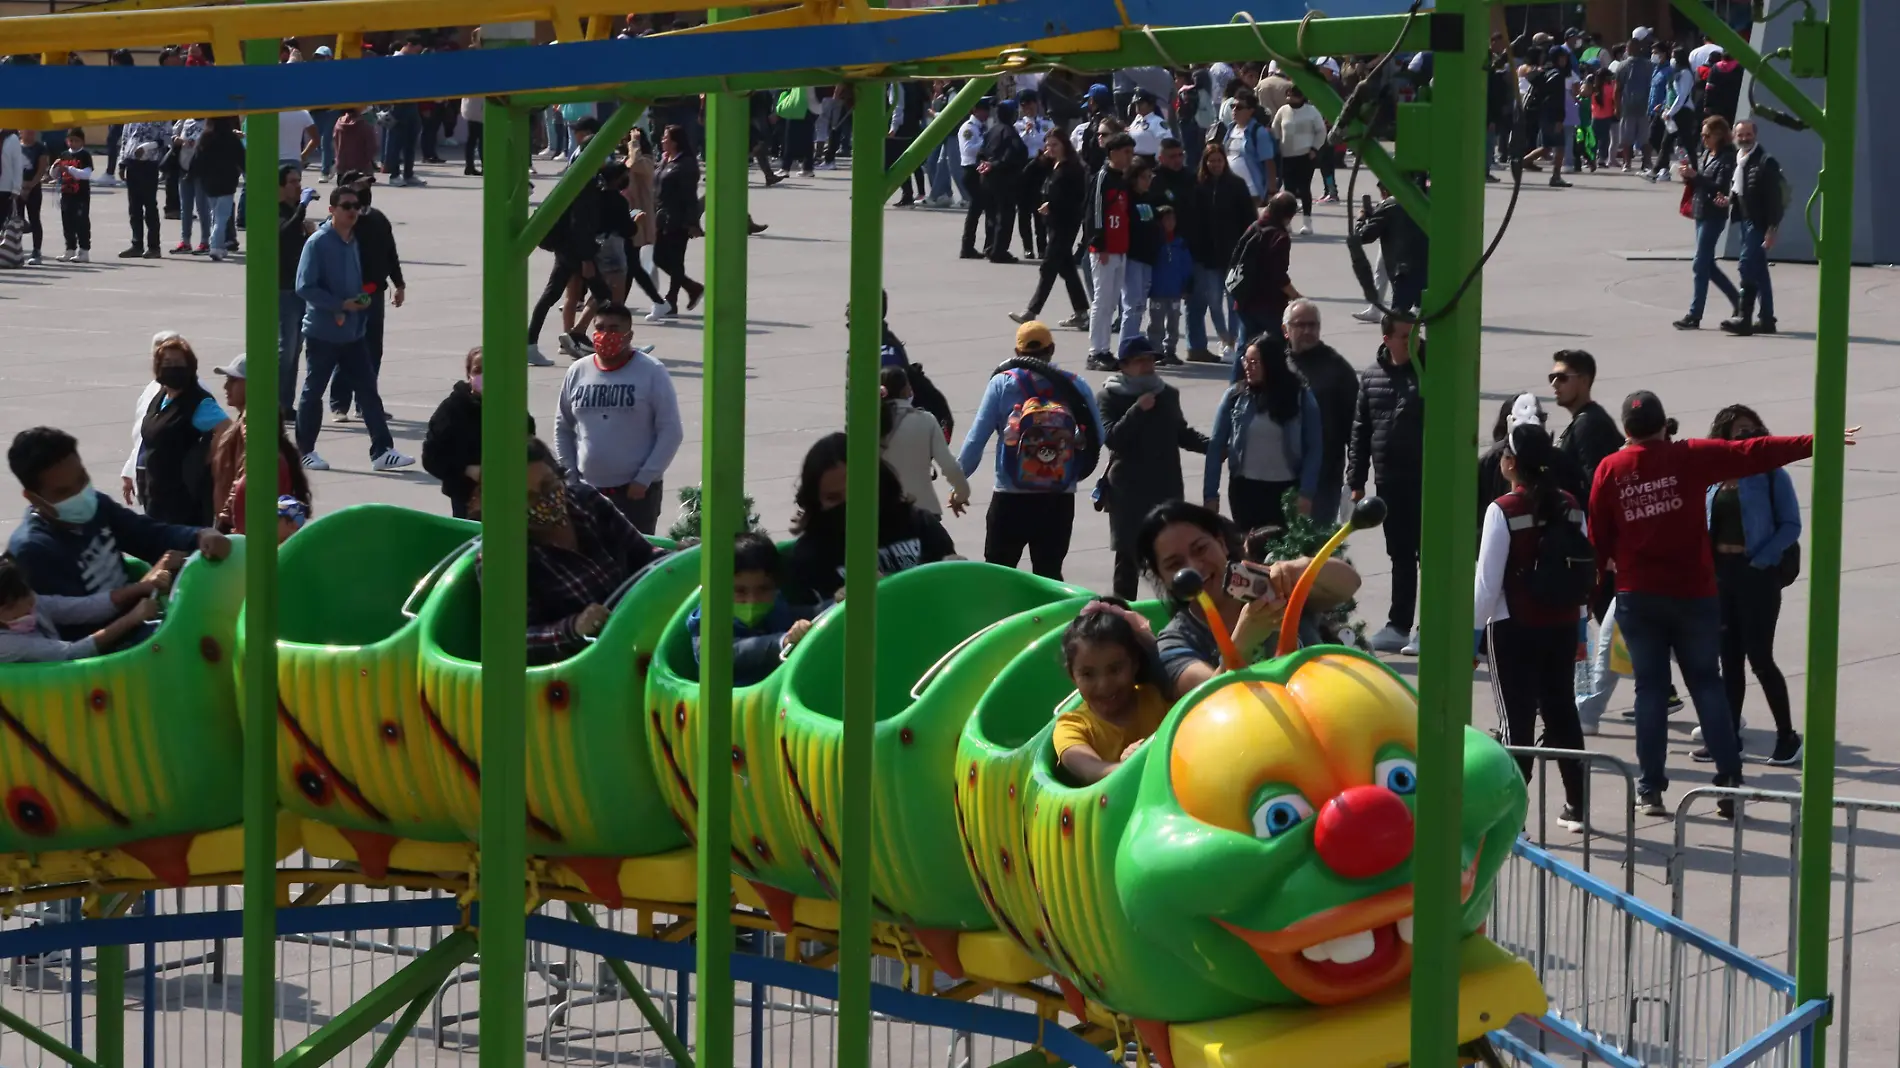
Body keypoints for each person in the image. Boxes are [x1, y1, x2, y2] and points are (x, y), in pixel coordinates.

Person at [1588, 390, 1839, 818]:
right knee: (1707, 684)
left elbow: (1598, 535)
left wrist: (1602, 575)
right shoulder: (1688, 456)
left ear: (1627, 431)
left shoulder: (1611, 468)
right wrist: (1819, 441)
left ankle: (1650, 789)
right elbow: (1753, 451)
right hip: (1694, 595)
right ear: (1664, 426)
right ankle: (1729, 782)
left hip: (1639, 596)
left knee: (1649, 690)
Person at [1474, 422, 1590, 832]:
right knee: (1562, 715)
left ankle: (1511, 816)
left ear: (1510, 463)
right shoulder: (1573, 505)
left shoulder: (1502, 510)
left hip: (1513, 627)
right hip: (1560, 625)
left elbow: (1487, 585)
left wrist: (1472, 637)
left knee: (1516, 723)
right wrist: (1579, 632)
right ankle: (1577, 805)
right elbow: (1581, 572)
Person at [1137, 501, 1359, 697]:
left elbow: (1350, 583)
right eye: (1174, 564)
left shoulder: (1274, 586)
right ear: (1161, 577)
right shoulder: (1175, 642)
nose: (1193, 567)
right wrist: (1242, 642)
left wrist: (1295, 569)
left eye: (1200, 549)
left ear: (1221, 543)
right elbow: (1206, 701)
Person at [7, 427, 230, 611]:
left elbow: (148, 535)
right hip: (106, 649)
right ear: (33, 498)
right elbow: (77, 623)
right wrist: (143, 587)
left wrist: (200, 535)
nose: (80, 494)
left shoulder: (97, 505)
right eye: (64, 492)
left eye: (82, 479)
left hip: (138, 615)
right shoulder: (32, 551)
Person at [482, 437, 662, 663]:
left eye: (549, 485)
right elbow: (513, 639)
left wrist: (681, 559)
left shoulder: (587, 502)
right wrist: (574, 627)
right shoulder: (503, 555)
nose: (546, 500)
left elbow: (645, 555)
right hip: (582, 667)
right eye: (529, 498)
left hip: (641, 632)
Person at [956, 322, 1104, 581]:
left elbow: (976, 438)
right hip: (1058, 497)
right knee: (1048, 575)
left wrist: (959, 483)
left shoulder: (1002, 384)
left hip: (1011, 495)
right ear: (1052, 349)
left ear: (1016, 351)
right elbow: (1098, 436)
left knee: (998, 574)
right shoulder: (1075, 385)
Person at [1704, 404, 1803, 767]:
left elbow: (1790, 525)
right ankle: (1728, 736)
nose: (1745, 435)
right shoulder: (1713, 475)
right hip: (1721, 574)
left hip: (1757, 573)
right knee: (1728, 659)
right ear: (1723, 436)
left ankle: (1787, 737)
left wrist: (1761, 560)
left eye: (1751, 428)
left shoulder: (1771, 473)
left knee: (1759, 657)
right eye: (1737, 430)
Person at [293, 187, 415, 473]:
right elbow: (304, 286)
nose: (352, 211)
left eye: (356, 206)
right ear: (331, 210)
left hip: (352, 332)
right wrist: (340, 304)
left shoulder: (354, 242)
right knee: (314, 391)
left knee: (368, 390)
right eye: (346, 206)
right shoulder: (318, 242)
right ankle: (305, 451)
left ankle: (382, 450)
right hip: (323, 332)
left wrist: (361, 298)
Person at [783, 433, 956, 606]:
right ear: (815, 500)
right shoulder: (808, 558)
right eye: (833, 498)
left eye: (858, 491)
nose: (850, 505)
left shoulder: (920, 525)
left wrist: (956, 573)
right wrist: (834, 608)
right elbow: (803, 623)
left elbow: (954, 593)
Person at [552, 304, 681, 535]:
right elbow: (563, 427)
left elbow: (671, 431)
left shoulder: (651, 372)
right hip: (587, 492)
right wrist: (571, 479)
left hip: (635, 495)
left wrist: (644, 478)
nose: (605, 335)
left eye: (614, 329)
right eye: (600, 328)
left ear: (628, 335)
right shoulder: (578, 371)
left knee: (634, 563)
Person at [1098, 338, 1208, 598]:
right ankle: (1122, 618)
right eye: (1140, 361)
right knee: (1128, 560)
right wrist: (1137, 410)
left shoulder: (1167, 394)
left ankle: (1177, 616)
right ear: (1123, 365)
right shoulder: (1109, 396)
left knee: (1170, 555)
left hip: (1165, 487)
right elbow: (1112, 438)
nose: (1148, 366)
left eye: (1150, 360)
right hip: (1128, 493)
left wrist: (1215, 447)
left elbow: (1182, 433)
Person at [1350, 314, 1425, 656]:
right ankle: (1399, 624)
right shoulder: (1372, 377)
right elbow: (1360, 431)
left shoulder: (1429, 372)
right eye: (1405, 336)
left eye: (1415, 335)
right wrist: (1356, 480)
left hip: (1426, 480)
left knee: (1429, 555)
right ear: (1386, 338)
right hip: (1389, 481)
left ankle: (1429, 626)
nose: (1413, 342)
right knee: (1400, 554)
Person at [1205, 333, 1321, 531]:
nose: (1248, 368)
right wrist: (1210, 495)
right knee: (1250, 553)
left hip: (1286, 491)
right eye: (1246, 361)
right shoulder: (1235, 396)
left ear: (1272, 364)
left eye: (1255, 362)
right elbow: (1216, 446)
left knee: (1283, 557)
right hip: (1245, 490)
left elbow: (1314, 448)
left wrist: (1306, 493)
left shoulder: (1300, 397)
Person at [1054, 598, 1169, 784]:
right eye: (1088, 674)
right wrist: (1131, 765)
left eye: (1115, 669)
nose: (1104, 685)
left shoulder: (1158, 699)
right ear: (1072, 676)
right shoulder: (1072, 727)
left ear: (1135, 664)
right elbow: (1090, 769)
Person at [688, 532, 819, 687]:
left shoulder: (774, 604)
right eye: (739, 591)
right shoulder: (707, 620)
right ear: (718, 588)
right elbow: (729, 652)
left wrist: (838, 602)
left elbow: (808, 613)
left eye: (764, 589)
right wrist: (783, 641)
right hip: (734, 703)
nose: (752, 599)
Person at [422, 347, 536, 520]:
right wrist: (466, 470)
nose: (484, 376)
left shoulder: (512, 407)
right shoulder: (452, 409)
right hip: (466, 499)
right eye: (478, 371)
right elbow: (432, 456)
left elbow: (529, 448)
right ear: (469, 375)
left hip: (507, 498)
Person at [134, 335, 230, 526]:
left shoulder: (198, 402)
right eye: (167, 362)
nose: (172, 367)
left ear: (190, 367)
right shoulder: (160, 397)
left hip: (182, 502)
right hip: (155, 496)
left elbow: (226, 428)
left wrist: (207, 457)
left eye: (178, 362)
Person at [330, 172, 404, 417]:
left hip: (374, 294)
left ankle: (366, 404)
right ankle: (340, 404)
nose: (364, 190)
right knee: (346, 347)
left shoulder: (378, 219)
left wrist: (399, 283)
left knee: (373, 349)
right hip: (349, 295)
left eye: (367, 185)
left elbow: (390, 252)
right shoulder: (340, 226)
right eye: (359, 185)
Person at [0, 554, 164, 663]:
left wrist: (141, 587)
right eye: (13, 605)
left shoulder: (32, 602)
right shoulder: (6, 645)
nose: (29, 603)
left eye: (27, 593)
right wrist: (132, 619)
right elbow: (72, 653)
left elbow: (84, 607)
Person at [527, 167, 613, 364]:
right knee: (603, 295)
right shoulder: (587, 184)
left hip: (565, 248)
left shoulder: (576, 178)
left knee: (551, 295)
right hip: (575, 251)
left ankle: (531, 343)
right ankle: (606, 342)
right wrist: (586, 259)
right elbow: (581, 225)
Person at [1283, 299, 1355, 524]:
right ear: (1286, 330)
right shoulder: (1274, 364)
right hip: (1277, 476)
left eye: (1312, 325)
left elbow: (1356, 427)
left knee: (1314, 547)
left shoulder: (1337, 369)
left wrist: (1354, 477)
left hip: (1322, 478)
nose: (1307, 330)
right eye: (1300, 324)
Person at [1010, 131, 1090, 329]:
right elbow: (1026, 175)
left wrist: (1052, 206)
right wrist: (1040, 159)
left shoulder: (1072, 169)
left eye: (1055, 145)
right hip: (1053, 223)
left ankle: (1031, 311)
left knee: (1048, 267)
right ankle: (1081, 312)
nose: (1050, 148)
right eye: (1048, 145)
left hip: (1065, 224)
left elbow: (1075, 199)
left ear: (1064, 145)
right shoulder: (1051, 164)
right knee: (1067, 268)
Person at [1184, 142, 1255, 364]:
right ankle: (1223, 337)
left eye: (1219, 160)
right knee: (1213, 301)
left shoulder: (1237, 185)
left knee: (1234, 301)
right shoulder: (1197, 187)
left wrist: (1248, 248)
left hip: (1233, 255)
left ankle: (1233, 342)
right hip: (1208, 257)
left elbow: (1249, 220)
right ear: (1205, 163)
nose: (1215, 164)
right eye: (1211, 161)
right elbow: (1192, 222)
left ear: (1225, 161)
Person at [1674, 115, 1741, 331]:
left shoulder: (1728, 158)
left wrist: (1696, 176)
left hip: (1714, 215)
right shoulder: (1708, 154)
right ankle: (1738, 301)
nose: (1703, 139)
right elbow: (1703, 182)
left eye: (1707, 135)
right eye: (1702, 135)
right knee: (1707, 265)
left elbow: (1720, 186)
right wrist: (1690, 176)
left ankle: (1695, 314)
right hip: (1701, 211)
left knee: (1700, 264)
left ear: (1719, 135)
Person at [879, 365, 969, 518]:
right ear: (906, 390)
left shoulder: (870, 425)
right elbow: (949, 466)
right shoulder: (925, 420)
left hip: (884, 515)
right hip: (923, 512)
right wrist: (961, 494)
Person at [1722, 119, 1783, 337]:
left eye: (1748, 134)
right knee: (1759, 271)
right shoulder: (1740, 159)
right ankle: (1767, 320)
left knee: (1745, 265)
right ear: (1734, 136)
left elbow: (1775, 199)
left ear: (1755, 135)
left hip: (1759, 223)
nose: (1744, 138)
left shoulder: (1766, 162)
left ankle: (1743, 317)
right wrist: (1728, 201)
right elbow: (1739, 189)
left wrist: (1772, 228)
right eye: (1741, 135)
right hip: (1745, 221)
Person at [1084, 132, 1137, 371]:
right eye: (1126, 152)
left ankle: (1105, 348)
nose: (1130, 157)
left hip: (1120, 248)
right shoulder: (1103, 178)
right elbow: (1095, 212)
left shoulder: (1122, 179)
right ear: (1113, 152)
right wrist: (1099, 243)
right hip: (1104, 249)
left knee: (1112, 301)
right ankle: (1096, 351)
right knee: (1102, 301)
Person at [1227, 192, 1300, 362]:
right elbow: (1278, 275)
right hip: (1268, 304)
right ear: (1288, 216)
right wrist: (1295, 296)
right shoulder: (1279, 237)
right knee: (1281, 345)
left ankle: (1236, 385)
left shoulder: (1254, 227)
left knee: (1245, 348)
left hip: (1244, 298)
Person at [651, 125, 706, 322]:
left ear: (675, 141)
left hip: (678, 218)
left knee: (675, 260)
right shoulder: (666, 159)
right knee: (659, 258)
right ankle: (692, 287)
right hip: (661, 217)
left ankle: (672, 300)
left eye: (665, 137)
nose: (662, 140)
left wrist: (691, 222)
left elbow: (690, 197)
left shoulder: (686, 164)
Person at [1548, 349, 1624, 490]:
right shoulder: (1589, 418)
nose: (1554, 384)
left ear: (1584, 380)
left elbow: (1597, 485)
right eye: (1552, 377)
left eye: (1562, 377)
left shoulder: (1589, 425)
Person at [278, 165, 318, 416]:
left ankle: (285, 403)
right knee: (287, 347)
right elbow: (283, 234)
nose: (298, 185)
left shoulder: (294, 212)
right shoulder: (276, 210)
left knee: (295, 348)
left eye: (299, 181)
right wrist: (302, 208)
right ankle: (276, 402)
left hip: (299, 289)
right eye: (293, 181)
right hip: (281, 288)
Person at [1354, 181, 1429, 314]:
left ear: (1385, 192)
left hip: (1403, 270)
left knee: (1399, 318)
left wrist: (1361, 219)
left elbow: (1364, 236)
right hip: (1427, 267)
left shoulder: (1389, 205)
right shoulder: (1424, 199)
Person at [1116, 160, 1161, 356]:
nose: (1147, 181)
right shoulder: (1128, 198)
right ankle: (1125, 351)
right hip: (1133, 256)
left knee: (1140, 305)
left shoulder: (1149, 198)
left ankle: (1133, 346)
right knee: (1131, 305)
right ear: (1134, 178)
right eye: (1144, 177)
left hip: (1148, 257)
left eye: (1150, 177)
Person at [1270, 86, 1327, 233]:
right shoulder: (1282, 111)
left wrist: (1315, 148)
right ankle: (1287, 221)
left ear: (1302, 96)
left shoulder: (1311, 111)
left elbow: (1321, 131)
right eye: (1288, 94)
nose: (1290, 97)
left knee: (1304, 188)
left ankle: (1307, 222)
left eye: (1293, 95)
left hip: (1306, 156)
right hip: (1287, 155)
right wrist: (1276, 146)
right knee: (1288, 191)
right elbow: (1275, 129)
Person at [978, 99, 1028, 264]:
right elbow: (1015, 155)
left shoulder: (992, 131)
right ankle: (999, 250)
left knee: (991, 215)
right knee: (1005, 215)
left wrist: (985, 164)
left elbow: (980, 153)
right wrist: (994, 165)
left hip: (987, 179)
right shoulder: (1009, 132)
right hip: (1003, 179)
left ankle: (990, 245)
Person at [116, 119, 169, 258]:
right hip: (132, 163)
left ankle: (154, 247)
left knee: (150, 206)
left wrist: (147, 147)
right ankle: (136, 244)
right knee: (134, 207)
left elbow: (166, 139)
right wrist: (122, 163)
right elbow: (125, 139)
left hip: (149, 164)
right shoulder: (133, 114)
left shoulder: (161, 115)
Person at [1013, 90, 1055, 260]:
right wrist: (1026, 133)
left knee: (1041, 207)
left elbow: (1049, 142)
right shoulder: (1017, 126)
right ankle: (1028, 247)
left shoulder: (1047, 123)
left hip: (1042, 166)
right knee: (1024, 210)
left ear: (1036, 103)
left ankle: (1042, 246)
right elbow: (1016, 146)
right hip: (1024, 167)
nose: (1027, 108)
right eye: (1023, 105)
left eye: (1030, 103)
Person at [1221, 91, 1276, 205]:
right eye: (1233, 106)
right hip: (1230, 189)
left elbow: (1269, 163)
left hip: (1252, 191)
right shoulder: (1230, 129)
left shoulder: (1259, 132)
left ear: (1250, 111)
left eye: (1239, 107)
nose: (1234, 110)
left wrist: (1271, 192)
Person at [955, 96, 992, 258]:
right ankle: (967, 246)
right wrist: (987, 143)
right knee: (976, 209)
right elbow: (968, 149)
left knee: (981, 209)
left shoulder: (983, 128)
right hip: (971, 171)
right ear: (975, 110)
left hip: (980, 170)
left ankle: (985, 245)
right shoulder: (968, 128)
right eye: (984, 109)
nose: (987, 113)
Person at [51, 129, 92, 263]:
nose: (73, 143)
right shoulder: (64, 155)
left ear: (82, 142)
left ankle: (84, 251)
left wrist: (69, 169)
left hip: (81, 195)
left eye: (76, 140)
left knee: (81, 223)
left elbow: (86, 174)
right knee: (67, 222)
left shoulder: (85, 155)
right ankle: (70, 249)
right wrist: (55, 167)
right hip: (66, 193)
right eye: (71, 140)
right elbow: (54, 175)